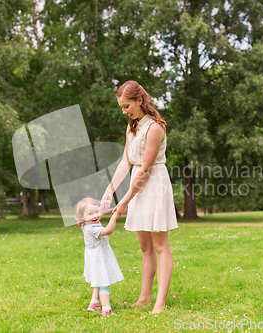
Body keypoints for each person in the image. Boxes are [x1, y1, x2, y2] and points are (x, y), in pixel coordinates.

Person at [101, 80, 178, 314]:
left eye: (127, 106)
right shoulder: (131, 126)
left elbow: (144, 170)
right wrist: (109, 190)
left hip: (153, 183)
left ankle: (160, 302)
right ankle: (144, 297)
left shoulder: (155, 128)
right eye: (122, 107)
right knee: (144, 246)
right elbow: (126, 162)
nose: (124, 111)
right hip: (138, 182)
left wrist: (124, 202)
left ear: (139, 100)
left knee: (160, 245)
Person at [76, 197, 123, 317]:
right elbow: (108, 230)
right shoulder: (92, 227)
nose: (95, 216)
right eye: (90, 214)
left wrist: (103, 206)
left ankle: (94, 304)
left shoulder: (88, 223)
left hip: (95, 257)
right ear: (82, 216)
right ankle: (107, 310)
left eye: (96, 212)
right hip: (98, 258)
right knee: (104, 283)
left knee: (98, 281)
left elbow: (98, 210)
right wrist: (114, 217)